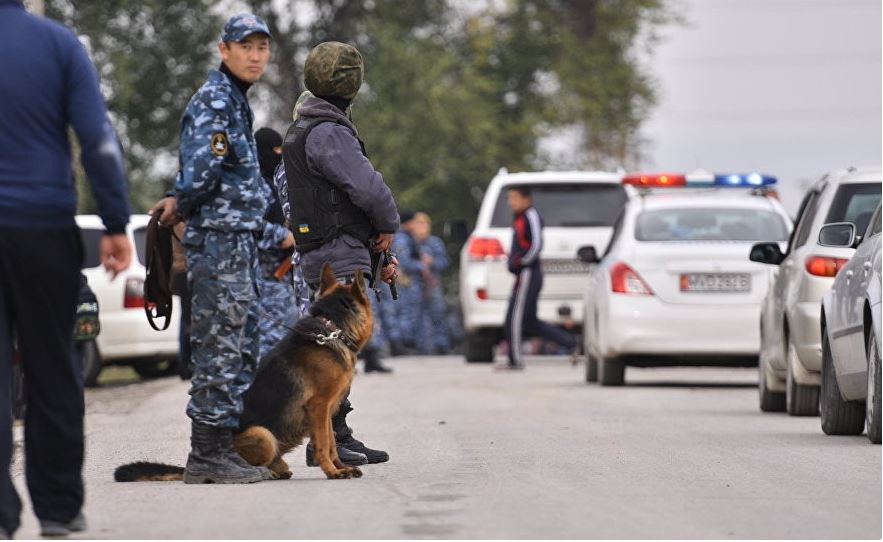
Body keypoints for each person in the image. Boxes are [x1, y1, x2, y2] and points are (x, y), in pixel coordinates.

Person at [0, 1, 133, 536]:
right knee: (53, 367)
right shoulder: (57, 45)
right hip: (42, 224)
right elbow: (97, 138)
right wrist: (116, 220)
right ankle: (58, 508)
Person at [276, 42, 399, 467]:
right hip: (339, 252)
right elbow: (368, 189)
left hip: (326, 250)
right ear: (352, 83)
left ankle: (335, 434)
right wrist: (387, 224)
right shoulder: (328, 132)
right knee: (339, 349)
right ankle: (328, 439)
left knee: (336, 347)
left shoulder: (307, 128)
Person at [173, 13, 273, 484]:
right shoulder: (215, 100)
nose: (255, 56)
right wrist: (181, 200)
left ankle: (226, 446)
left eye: (262, 47)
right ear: (224, 49)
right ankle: (206, 454)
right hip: (219, 240)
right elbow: (198, 175)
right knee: (219, 345)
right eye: (246, 46)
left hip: (240, 239)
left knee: (240, 344)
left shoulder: (236, 99)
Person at [501, 186, 577, 370]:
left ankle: (515, 359)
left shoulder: (530, 215)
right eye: (510, 198)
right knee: (529, 321)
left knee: (514, 318)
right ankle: (571, 343)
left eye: (515, 198)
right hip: (522, 274)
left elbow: (536, 244)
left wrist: (521, 262)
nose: (511, 203)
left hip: (528, 273)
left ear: (527, 199)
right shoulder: (518, 218)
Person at [253, 127, 308, 361]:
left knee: (286, 338)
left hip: (282, 274)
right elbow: (248, 223)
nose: (278, 155)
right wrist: (281, 235)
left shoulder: (274, 181)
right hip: (262, 276)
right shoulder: (253, 185)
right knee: (269, 342)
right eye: (274, 150)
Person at [411, 212, 452, 355]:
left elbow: (444, 262)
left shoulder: (435, 243)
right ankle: (421, 347)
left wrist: (432, 262)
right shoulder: (409, 242)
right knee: (417, 316)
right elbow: (403, 263)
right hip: (414, 286)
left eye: (425, 224)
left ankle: (442, 345)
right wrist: (419, 265)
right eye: (419, 224)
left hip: (433, 284)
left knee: (438, 314)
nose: (422, 227)